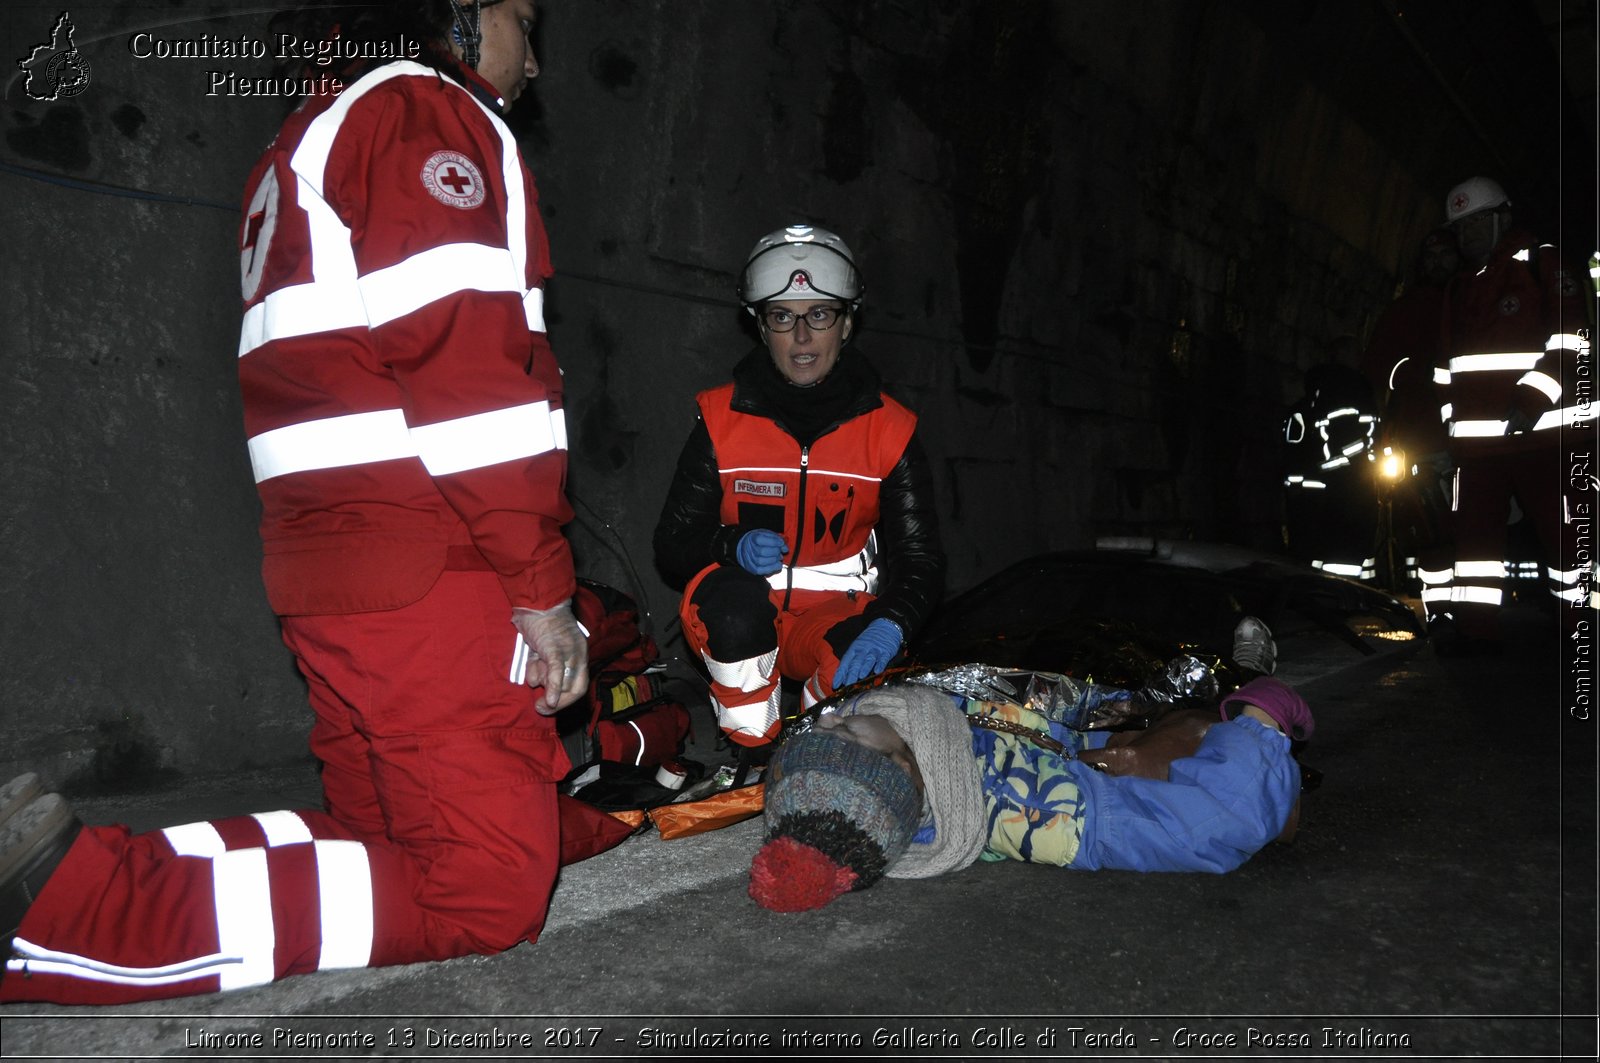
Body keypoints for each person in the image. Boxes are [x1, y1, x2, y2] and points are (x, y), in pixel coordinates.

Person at [1, 0, 588, 1004]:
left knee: (385, 841)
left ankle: (54, 858)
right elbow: (471, 376)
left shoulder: (306, 133)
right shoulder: (419, 109)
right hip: (426, 570)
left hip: (332, 575)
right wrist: (543, 589)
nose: (531, 58)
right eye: (521, 20)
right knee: (490, 893)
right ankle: (69, 909)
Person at [747, 619, 1309, 911]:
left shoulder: (908, 716)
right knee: (1195, 714)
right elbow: (1215, 824)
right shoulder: (1034, 814)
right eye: (843, 733)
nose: (823, 720)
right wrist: (1262, 716)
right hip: (1156, 732)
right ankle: (1248, 676)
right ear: (901, 770)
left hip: (1085, 689)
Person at [653, 225, 946, 749]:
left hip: (835, 613)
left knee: (860, 657)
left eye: (820, 314)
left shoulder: (890, 430)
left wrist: (892, 622)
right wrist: (730, 544)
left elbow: (919, 557)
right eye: (783, 317)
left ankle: (819, 746)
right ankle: (749, 750)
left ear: (848, 322)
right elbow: (673, 544)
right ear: (761, 328)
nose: (803, 337)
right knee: (734, 613)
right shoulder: (720, 419)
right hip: (745, 605)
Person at [1422, 177, 1595, 650]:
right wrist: (1448, 433)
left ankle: (1579, 627)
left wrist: (1532, 402)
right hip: (1477, 449)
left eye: (1475, 223)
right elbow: (1444, 369)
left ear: (1501, 217)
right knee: (1474, 548)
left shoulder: (1542, 263)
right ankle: (1474, 633)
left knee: (1566, 536)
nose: (1467, 236)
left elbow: (1571, 340)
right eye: (1459, 228)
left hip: (1546, 437)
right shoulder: (1458, 288)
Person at [1360, 228, 1462, 591]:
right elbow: (1376, 370)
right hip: (1421, 438)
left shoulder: (1474, 301)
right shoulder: (1405, 311)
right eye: (1431, 258)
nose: (1438, 265)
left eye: (1445, 256)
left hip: (1472, 436)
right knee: (1427, 522)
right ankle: (1437, 602)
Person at [1280, 339, 1382, 581]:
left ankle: (1311, 594)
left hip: (1305, 490)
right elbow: (1353, 446)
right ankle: (1340, 597)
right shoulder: (1351, 392)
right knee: (1344, 550)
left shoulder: (1307, 403)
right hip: (1346, 487)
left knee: (1309, 548)